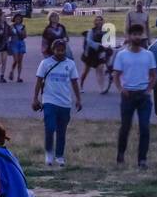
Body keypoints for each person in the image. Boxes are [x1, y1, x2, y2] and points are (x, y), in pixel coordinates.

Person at [111, 24, 157, 169]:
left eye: (139, 34)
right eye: (134, 34)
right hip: (128, 95)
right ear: (129, 37)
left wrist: (149, 89)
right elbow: (116, 75)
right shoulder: (122, 55)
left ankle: (142, 160)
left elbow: (153, 75)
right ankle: (120, 155)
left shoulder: (148, 55)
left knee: (144, 127)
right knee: (125, 127)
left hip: (143, 96)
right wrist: (120, 89)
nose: (137, 37)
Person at [32, 37, 82, 167]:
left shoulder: (70, 64)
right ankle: (49, 153)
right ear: (53, 50)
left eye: (62, 50)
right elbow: (38, 81)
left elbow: (74, 82)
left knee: (61, 130)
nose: (60, 52)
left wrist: (78, 99)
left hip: (65, 102)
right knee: (50, 127)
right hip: (49, 100)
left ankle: (59, 156)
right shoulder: (45, 63)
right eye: (57, 50)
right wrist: (35, 98)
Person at [80, 15, 113, 94]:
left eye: (100, 20)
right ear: (94, 22)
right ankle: (81, 85)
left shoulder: (105, 32)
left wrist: (108, 47)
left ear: (103, 21)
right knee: (85, 71)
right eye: (97, 20)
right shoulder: (91, 31)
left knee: (100, 69)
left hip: (99, 53)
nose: (98, 22)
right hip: (90, 53)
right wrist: (99, 45)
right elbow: (89, 41)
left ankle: (102, 88)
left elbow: (107, 43)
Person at [7, 13, 28, 83]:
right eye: (16, 18)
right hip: (14, 43)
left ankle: (19, 77)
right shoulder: (11, 26)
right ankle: (12, 71)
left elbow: (25, 36)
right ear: (14, 19)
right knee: (15, 60)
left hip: (21, 43)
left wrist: (22, 33)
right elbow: (8, 34)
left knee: (20, 61)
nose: (18, 20)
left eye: (19, 18)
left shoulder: (23, 26)